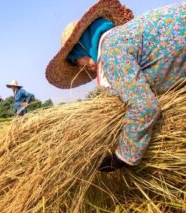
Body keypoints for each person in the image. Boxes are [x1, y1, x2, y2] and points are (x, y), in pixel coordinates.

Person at [45, 0, 185, 172]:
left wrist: (122, 157)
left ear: (82, 47)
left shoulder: (111, 51)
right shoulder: (122, 37)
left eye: (76, 61)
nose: (81, 67)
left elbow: (145, 106)